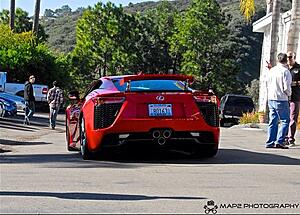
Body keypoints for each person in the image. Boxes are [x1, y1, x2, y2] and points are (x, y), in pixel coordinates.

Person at [265, 53, 292, 149]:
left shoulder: (272, 70)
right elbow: (286, 87)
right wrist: (289, 94)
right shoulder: (285, 72)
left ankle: (270, 141)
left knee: (273, 120)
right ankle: (279, 141)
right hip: (281, 98)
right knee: (285, 120)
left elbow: (267, 83)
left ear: (278, 60)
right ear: (286, 60)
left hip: (271, 98)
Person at [286, 51, 300, 146]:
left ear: (294, 57)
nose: (288, 59)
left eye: (290, 57)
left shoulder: (299, 69)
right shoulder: (284, 68)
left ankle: (291, 138)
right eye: (287, 57)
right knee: (284, 119)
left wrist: (294, 83)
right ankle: (284, 138)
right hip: (284, 97)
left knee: (293, 118)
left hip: (295, 97)